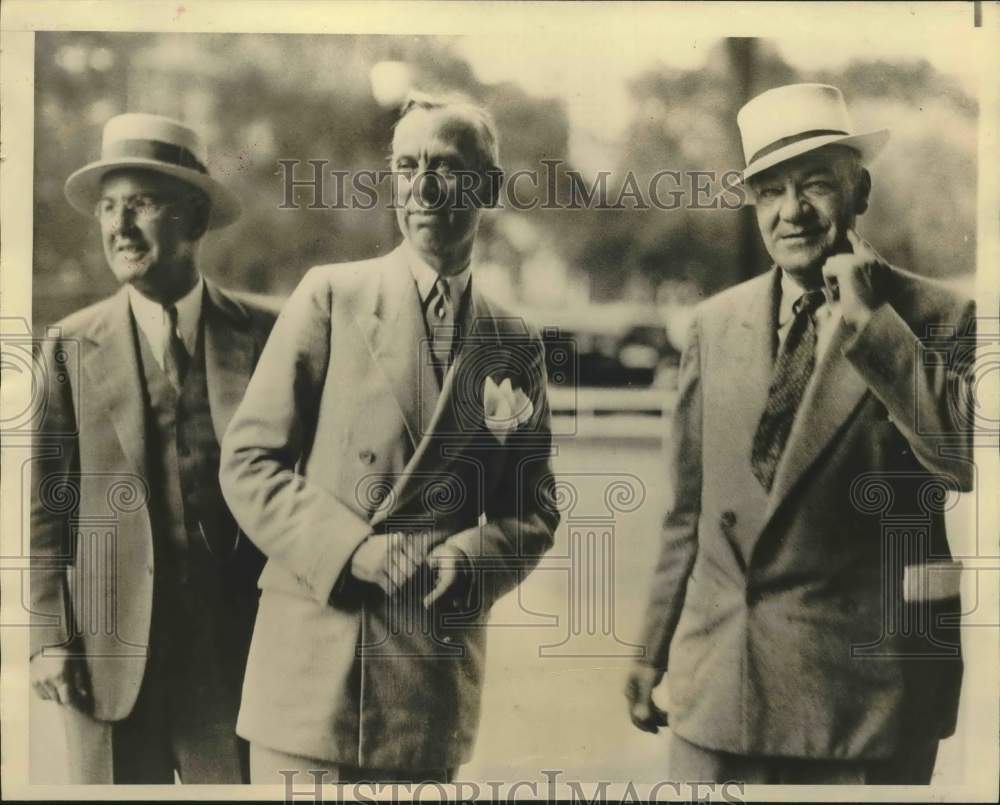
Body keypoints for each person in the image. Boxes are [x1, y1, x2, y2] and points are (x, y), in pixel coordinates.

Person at [626, 83, 975, 784]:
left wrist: (872, 323)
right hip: (716, 687)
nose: (792, 212)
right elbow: (686, 512)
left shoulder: (935, 317)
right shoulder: (713, 324)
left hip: (860, 701)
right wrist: (649, 649)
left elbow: (961, 460)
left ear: (859, 192)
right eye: (770, 191)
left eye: (816, 186)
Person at [220, 92, 560, 783]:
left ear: (488, 186)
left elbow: (535, 508)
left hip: (426, 682)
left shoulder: (513, 341)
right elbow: (249, 460)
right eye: (406, 166)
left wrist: (473, 556)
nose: (424, 188)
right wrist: (353, 550)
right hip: (312, 676)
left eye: (446, 167)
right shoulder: (331, 297)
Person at [30, 113, 277, 783]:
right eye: (108, 208)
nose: (119, 227)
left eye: (140, 204)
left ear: (194, 218)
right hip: (106, 659)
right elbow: (46, 508)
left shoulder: (268, 334)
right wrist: (49, 635)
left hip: (231, 662)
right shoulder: (70, 343)